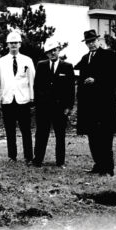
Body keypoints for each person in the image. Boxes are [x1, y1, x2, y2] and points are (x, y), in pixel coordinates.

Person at [75, 30, 116, 176]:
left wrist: (97, 80)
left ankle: (108, 168)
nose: (91, 44)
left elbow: (114, 78)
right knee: (93, 137)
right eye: (88, 42)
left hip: (104, 105)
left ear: (98, 41)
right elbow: (79, 77)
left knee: (105, 137)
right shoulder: (85, 58)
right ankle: (98, 165)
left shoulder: (108, 56)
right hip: (89, 106)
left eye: (93, 41)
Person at [32, 38, 75, 168]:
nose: (52, 53)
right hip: (44, 108)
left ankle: (60, 161)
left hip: (60, 108)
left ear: (59, 50)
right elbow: (37, 86)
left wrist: (69, 106)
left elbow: (71, 89)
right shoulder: (41, 65)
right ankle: (38, 159)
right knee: (41, 134)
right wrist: (38, 104)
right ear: (46, 53)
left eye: (54, 50)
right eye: (49, 51)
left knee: (60, 135)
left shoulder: (67, 66)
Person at [0, 31, 35, 163]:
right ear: (7, 44)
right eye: (11, 43)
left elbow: (32, 80)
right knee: (10, 130)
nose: (13, 45)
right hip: (7, 100)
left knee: (26, 130)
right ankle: (12, 156)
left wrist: (32, 98)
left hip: (23, 100)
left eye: (16, 43)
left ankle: (29, 156)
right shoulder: (1, 61)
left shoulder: (27, 60)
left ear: (20, 44)